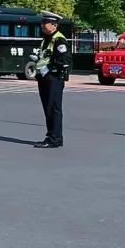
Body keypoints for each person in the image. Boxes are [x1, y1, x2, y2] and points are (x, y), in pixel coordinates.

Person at [32, 12, 70, 149]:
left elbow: (64, 60)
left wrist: (48, 68)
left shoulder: (59, 39)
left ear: (54, 25)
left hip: (53, 78)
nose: (42, 25)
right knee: (48, 108)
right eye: (42, 23)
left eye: (45, 23)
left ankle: (54, 138)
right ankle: (54, 137)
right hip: (45, 78)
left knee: (53, 108)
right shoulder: (47, 38)